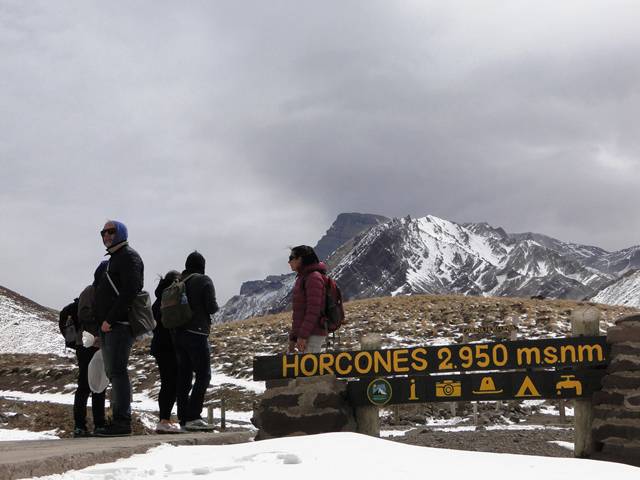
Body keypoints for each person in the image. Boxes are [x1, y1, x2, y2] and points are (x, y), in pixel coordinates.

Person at [94, 220, 144, 436]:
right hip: (109, 327)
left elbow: (130, 291)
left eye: (111, 232)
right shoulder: (116, 258)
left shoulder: (128, 257)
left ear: (121, 233)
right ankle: (119, 419)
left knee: (118, 371)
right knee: (113, 372)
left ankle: (122, 422)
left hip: (119, 325)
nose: (106, 235)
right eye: (103, 232)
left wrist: (111, 319)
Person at [173, 251, 219, 431]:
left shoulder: (179, 282)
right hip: (197, 333)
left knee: (184, 377)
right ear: (202, 265)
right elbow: (211, 307)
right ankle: (193, 416)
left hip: (178, 335)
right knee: (203, 375)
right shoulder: (204, 280)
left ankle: (183, 418)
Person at [59, 292, 106, 437]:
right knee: (91, 386)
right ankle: (91, 426)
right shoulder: (92, 292)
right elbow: (85, 315)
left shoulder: (90, 293)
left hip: (88, 345)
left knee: (91, 385)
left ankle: (85, 426)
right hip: (89, 344)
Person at [151, 270, 182, 433]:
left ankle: (165, 418)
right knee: (172, 382)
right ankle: (164, 419)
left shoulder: (158, 300)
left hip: (158, 345)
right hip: (170, 345)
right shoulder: (173, 298)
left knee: (167, 382)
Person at [287, 245, 328, 354]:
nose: (289, 262)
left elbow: (313, 310)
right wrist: (293, 337)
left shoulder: (313, 277)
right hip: (306, 335)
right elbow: (299, 313)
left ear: (300, 259)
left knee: (309, 369)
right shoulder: (304, 277)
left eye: (291, 258)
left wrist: (302, 336)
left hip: (312, 335)